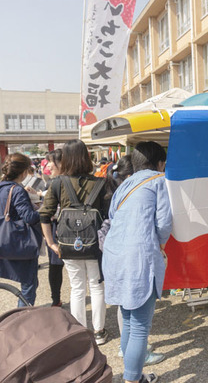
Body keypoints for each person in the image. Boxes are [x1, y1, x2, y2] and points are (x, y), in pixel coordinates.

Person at [103, 142, 172, 383]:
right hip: (139, 258)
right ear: (160, 163)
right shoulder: (159, 181)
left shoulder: (125, 183)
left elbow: (113, 216)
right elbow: (164, 224)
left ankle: (134, 375)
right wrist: (160, 245)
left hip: (115, 256)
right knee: (140, 326)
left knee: (129, 321)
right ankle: (132, 380)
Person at [40, 139, 108, 345]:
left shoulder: (57, 183)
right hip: (95, 243)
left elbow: (44, 214)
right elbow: (108, 215)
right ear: (86, 157)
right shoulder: (100, 183)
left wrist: (51, 243)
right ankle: (99, 332)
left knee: (77, 287)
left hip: (68, 243)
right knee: (97, 285)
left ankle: (80, 332)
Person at [0, 153, 42, 307]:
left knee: (28, 283)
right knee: (29, 284)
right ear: (23, 172)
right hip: (20, 241)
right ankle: (23, 316)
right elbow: (29, 217)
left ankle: (23, 312)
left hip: (3, 240)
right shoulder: (16, 190)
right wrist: (43, 210)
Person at [42, 149, 64, 307]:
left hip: (58, 227)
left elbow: (47, 211)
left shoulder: (54, 183)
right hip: (59, 227)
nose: (48, 165)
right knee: (56, 267)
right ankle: (56, 299)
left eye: (51, 161)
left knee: (56, 266)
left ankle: (56, 300)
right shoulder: (51, 183)